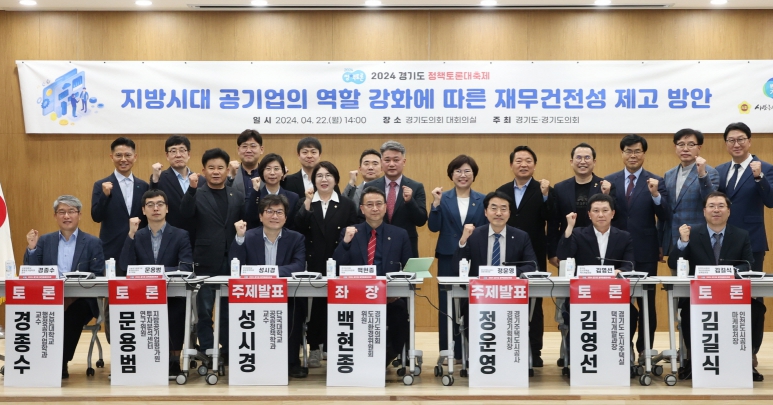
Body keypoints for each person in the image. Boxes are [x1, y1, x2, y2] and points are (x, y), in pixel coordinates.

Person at [667, 192, 765, 382]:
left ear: (729, 211)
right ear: (704, 211)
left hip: (731, 296)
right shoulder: (692, 233)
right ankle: (693, 361)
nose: (716, 210)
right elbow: (673, 263)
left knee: (757, 309)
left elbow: (747, 264)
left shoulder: (741, 235)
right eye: (711, 206)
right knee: (687, 311)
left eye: (721, 206)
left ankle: (747, 359)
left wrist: (728, 272)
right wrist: (683, 242)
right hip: (699, 297)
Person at [24, 195, 105, 379]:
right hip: (49, 298)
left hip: (82, 300)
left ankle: (60, 362)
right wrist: (32, 249)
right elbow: (31, 272)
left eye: (71, 211)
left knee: (72, 313)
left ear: (79, 215)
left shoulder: (92, 242)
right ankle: (31, 359)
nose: (66, 216)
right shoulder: (45, 241)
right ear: (55, 216)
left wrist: (69, 299)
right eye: (61, 212)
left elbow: (98, 276)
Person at [333, 187, 412, 366]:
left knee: (400, 313)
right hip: (355, 297)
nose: (374, 208)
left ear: (385, 207)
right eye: (369, 204)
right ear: (362, 209)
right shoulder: (350, 232)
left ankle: (387, 357)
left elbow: (408, 268)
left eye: (378, 204)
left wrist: (396, 292)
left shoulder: (399, 234)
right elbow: (336, 266)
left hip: (389, 296)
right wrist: (345, 242)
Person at [230, 195, 308, 378]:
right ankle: (254, 359)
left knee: (295, 310)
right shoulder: (248, 237)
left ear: (286, 217)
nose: (274, 216)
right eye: (270, 211)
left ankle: (291, 362)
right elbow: (235, 266)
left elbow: (298, 266)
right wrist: (239, 238)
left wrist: (268, 272)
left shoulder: (296, 238)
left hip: (286, 294)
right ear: (260, 216)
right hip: (253, 296)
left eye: (279, 212)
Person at [606, 134, 669, 358]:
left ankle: (644, 348)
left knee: (647, 301)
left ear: (644, 154)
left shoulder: (656, 181)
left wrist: (655, 195)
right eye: (628, 151)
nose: (633, 155)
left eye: (637, 151)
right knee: (617, 299)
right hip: (616, 251)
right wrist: (604, 195)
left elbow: (665, 215)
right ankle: (621, 345)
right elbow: (604, 215)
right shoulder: (609, 181)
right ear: (622, 153)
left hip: (646, 249)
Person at [181, 148, 245, 366]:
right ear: (203, 171)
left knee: (228, 309)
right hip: (205, 260)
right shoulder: (196, 194)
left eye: (220, 168)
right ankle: (208, 349)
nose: (216, 172)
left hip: (232, 261)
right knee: (205, 310)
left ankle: (226, 350)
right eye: (211, 168)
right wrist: (191, 189)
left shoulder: (237, 195)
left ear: (227, 170)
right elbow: (185, 214)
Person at [119, 189, 193, 377]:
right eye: (150, 205)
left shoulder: (180, 235)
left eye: (160, 204)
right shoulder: (137, 236)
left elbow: (185, 267)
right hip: (142, 294)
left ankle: (174, 360)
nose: (156, 208)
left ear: (167, 208)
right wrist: (131, 234)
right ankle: (143, 357)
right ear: (143, 211)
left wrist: (155, 272)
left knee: (177, 309)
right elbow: (125, 266)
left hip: (172, 292)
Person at [556, 193, 635, 365]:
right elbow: (563, 256)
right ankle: (575, 359)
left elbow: (629, 265)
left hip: (613, 296)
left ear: (612, 213)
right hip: (583, 296)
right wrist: (569, 228)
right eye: (596, 211)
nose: (601, 215)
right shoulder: (578, 234)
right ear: (589, 214)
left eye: (605, 210)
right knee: (571, 312)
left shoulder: (623, 236)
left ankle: (621, 355)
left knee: (632, 312)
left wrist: (619, 271)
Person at [294, 161, 358, 368]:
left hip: (339, 260)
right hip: (311, 262)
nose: (324, 179)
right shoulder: (306, 201)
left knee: (336, 305)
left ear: (336, 180)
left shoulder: (346, 204)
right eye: (319, 176)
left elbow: (352, 232)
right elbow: (298, 228)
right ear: (313, 180)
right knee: (316, 307)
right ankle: (314, 347)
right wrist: (307, 203)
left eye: (328, 175)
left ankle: (332, 347)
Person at [495, 145, 552, 367]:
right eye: (518, 161)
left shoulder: (544, 189)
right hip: (505, 253)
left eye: (528, 161)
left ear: (534, 165)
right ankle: (504, 345)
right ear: (511, 165)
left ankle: (534, 350)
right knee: (505, 300)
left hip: (533, 253)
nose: (523, 164)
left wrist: (546, 196)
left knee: (534, 303)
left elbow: (551, 218)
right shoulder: (502, 191)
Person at [428, 155, 488, 363]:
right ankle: (449, 351)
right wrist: (435, 204)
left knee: (473, 302)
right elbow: (433, 227)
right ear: (451, 175)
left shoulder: (483, 199)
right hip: (448, 255)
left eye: (467, 171)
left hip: (474, 256)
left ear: (474, 174)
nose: (463, 175)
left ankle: (473, 350)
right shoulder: (442, 198)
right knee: (447, 304)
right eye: (458, 171)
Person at [716, 122, 773, 273]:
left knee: (752, 286)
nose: (736, 144)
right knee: (723, 285)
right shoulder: (719, 170)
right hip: (722, 240)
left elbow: (771, 201)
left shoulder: (766, 168)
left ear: (749, 141)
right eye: (731, 140)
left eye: (741, 139)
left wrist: (759, 177)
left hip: (752, 239)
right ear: (726, 144)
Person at [660, 129, 719, 269]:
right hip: (674, 239)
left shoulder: (710, 172)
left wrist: (702, 174)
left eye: (691, 144)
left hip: (699, 237)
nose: (685, 149)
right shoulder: (669, 174)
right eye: (681, 144)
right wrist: (661, 242)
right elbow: (666, 210)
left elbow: (710, 201)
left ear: (699, 147)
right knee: (676, 278)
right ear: (675, 147)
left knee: (700, 279)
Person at [547, 143, 613, 269]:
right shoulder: (560, 188)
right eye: (578, 158)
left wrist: (607, 194)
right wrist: (552, 253)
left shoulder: (605, 186)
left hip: (599, 247)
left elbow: (614, 216)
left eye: (587, 158)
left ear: (594, 162)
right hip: (568, 247)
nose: (583, 162)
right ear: (571, 162)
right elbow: (553, 223)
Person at [91, 137, 149, 274]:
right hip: (112, 250)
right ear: (112, 157)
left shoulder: (143, 186)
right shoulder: (101, 185)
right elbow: (96, 216)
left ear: (135, 157)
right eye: (118, 155)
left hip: (139, 249)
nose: (123, 159)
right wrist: (105, 196)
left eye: (128, 155)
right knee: (113, 287)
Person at [362, 140, 427, 258]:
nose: (391, 164)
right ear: (381, 162)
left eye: (396, 160)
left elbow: (421, 220)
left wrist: (410, 201)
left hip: (406, 245)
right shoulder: (370, 186)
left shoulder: (416, 186)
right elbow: (362, 215)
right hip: (376, 243)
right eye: (387, 160)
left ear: (404, 162)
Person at [455, 191, 537, 276]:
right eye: (494, 208)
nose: (498, 213)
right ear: (485, 212)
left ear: (509, 213)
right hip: (480, 283)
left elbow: (532, 266)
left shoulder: (521, 236)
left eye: (503, 209)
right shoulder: (474, 235)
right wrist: (463, 241)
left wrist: (503, 272)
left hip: (508, 283)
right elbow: (456, 268)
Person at [150, 135, 196, 249]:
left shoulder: (200, 179)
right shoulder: (160, 178)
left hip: (196, 237)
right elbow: (151, 200)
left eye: (182, 150)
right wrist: (155, 180)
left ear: (189, 154)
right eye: (173, 151)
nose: (178, 155)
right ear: (167, 155)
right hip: (170, 238)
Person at [244, 153, 300, 230]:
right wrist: (255, 192)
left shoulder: (293, 198)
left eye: (276, 169)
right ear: (262, 172)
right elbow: (250, 220)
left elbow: (295, 225)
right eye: (268, 169)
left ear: (283, 172)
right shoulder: (254, 196)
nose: (272, 173)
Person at [227, 129, 264, 201]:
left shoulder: (267, 173)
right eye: (244, 146)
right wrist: (230, 177)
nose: (248, 150)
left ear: (261, 150)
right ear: (238, 150)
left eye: (253, 146)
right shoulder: (231, 174)